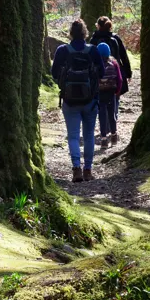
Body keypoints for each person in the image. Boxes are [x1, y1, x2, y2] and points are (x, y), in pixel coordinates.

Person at [52, 19, 104, 183]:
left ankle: (76, 169)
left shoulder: (62, 50)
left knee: (73, 136)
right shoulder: (93, 50)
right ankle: (88, 169)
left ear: (70, 33)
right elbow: (101, 72)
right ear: (85, 33)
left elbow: (54, 73)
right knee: (89, 135)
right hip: (90, 100)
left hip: (69, 101)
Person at [90, 16, 132, 122]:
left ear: (98, 26)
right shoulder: (115, 39)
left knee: (100, 99)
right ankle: (113, 121)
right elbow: (123, 56)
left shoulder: (94, 40)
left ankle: (104, 124)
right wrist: (128, 73)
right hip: (115, 74)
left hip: (99, 75)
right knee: (115, 98)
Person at [96, 42, 123, 148]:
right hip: (111, 92)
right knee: (112, 114)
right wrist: (117, 91)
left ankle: (103, 139)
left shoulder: (96, 64)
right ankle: (113, 136)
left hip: (100, 93)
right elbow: (119, 79)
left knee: (102, 115)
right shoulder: (114, 63)